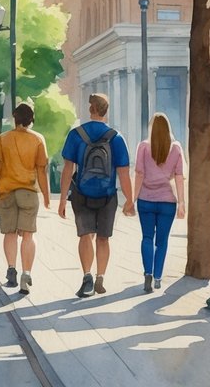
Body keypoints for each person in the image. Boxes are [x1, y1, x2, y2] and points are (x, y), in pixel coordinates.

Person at [58, 93, 136, 297]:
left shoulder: (76, 134)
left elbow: (68, 169)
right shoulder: (116, 138)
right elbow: (123, 173)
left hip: (81, 194)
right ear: (106, 111)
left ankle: (87, 277)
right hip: (108, 195)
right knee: (103, 238)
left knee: (85, 235)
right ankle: (100, 277)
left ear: (90, 109)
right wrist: (130, 199)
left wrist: (62, 200)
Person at [0, 103, 51, 294]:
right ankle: (26, 273)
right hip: (28, 192)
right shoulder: (38, 140)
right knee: (29, 235)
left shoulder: (4, 139)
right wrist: (46, 195)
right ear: (31, 119)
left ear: (15, 118)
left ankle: (11, 269)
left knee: (9, 233)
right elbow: (42, 170)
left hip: (6, 193)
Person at [134, 112, 186, 292]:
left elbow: (139, 174)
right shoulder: (176, 148)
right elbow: (179, 177)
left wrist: (132, 199)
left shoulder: (143, 147)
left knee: (147, 237)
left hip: (145, 200)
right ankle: (157, 277)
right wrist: (181, 203)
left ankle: (147, 273)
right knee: (162, 241)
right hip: (167, 202)